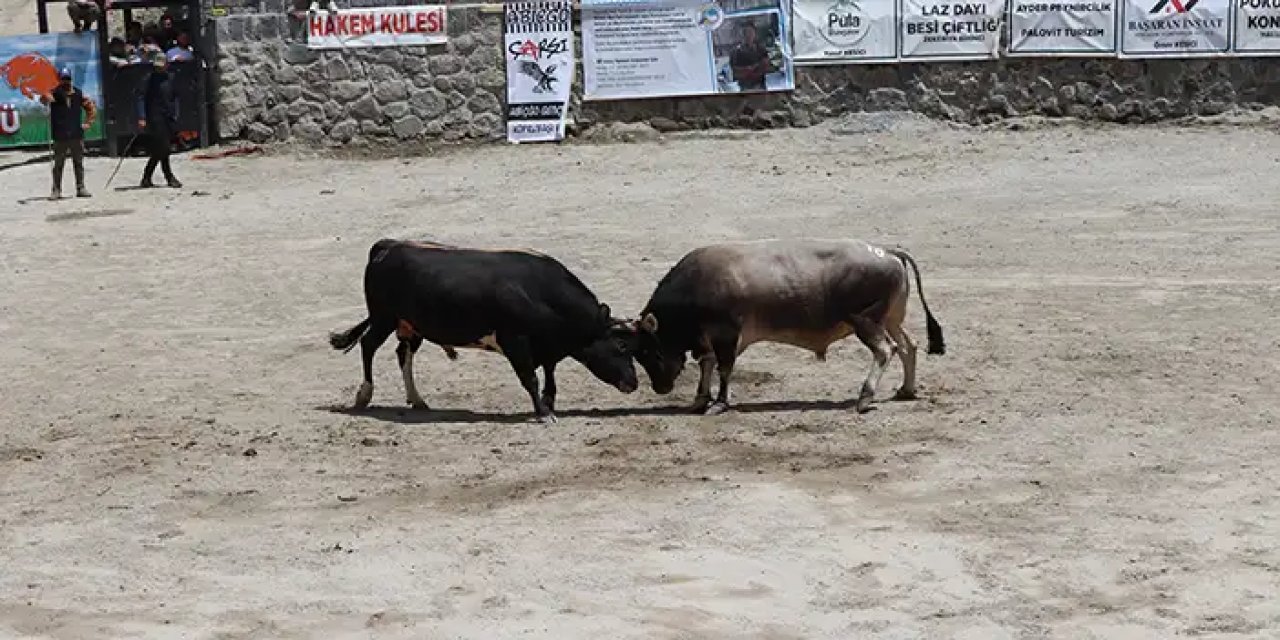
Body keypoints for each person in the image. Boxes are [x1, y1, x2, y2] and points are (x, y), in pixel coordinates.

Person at [39, 67, 96, 199]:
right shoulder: (54, 93)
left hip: (76, 134)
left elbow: (90, 107)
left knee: (78, 162)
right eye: (63, 79)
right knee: (58, 164)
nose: (66, 82)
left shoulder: (78, 93)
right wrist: (45, 96)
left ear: (71, 79)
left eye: (68, 79)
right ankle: (56, 190)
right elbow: (43, 100)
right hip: (60, 135)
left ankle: (81, 187)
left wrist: (88, 123)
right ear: (60, 80)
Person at [136, 53, 182, 188]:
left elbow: (176, 97)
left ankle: (146, 177)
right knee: (164, 147)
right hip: (154, 116)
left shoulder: (171, 78)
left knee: (159, 149)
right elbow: (140, 97)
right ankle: (169, 177)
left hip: (168, 116)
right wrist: (142, 117)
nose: (159, 69)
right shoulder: (148, 79)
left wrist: (176, 113)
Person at [729, 23, 771, 92]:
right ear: (742, 35)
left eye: (751, 32)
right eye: (746, 33)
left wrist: (759, 69)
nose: (748, 35)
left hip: (760, 86)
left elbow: (766, 65)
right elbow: (734, 71)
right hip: (745, 88)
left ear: (754, 34)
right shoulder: (735, 52)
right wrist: (748, 69)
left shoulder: (761, 49)